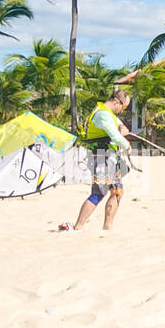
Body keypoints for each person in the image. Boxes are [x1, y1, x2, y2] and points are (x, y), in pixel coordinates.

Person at [65, 90, 132, 231]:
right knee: (98, 193)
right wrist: (127, 145)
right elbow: (115, 136)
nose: (122, 110)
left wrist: (122, 126)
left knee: (117, 191)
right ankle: (78, 226)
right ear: (116, 102)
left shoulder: (107, 113)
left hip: (111, 158)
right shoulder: (102, 114)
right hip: (101, 157)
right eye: (124, 107)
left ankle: (107, 227)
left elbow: (117, 123)